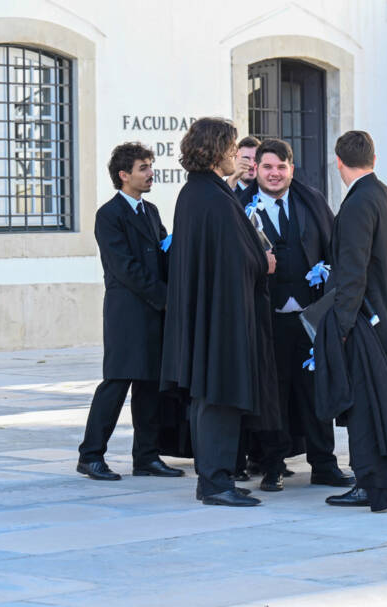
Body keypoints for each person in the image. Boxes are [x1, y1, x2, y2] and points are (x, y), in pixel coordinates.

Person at [160, 117, 279, 506]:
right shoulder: (210, 197)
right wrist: (264, 261)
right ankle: (214, 483)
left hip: (211, 311)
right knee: (216, 396)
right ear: (215, 152)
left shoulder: (200, 192)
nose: (237, 158)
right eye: (231, 150)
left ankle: (217, 475)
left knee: (211, 396)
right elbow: (236, 257)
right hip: (219, 316)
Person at [314, 130, 387, 511]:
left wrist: (342, 326)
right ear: (374, 160)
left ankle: (370, 482)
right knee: (381, 403)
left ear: (338, 163)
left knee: (364, 405)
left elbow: (353, 270)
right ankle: (381, 479)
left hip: (364, 319)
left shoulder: (359, 202)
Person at [248, 138, 355, 492]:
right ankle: (273, 465)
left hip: (311, 320)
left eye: (281, 167)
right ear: (257, 171)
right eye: (268, 167)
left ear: (291, 169)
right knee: (272, 394)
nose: (275, 173)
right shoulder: (239, 207)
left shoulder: (312, 202)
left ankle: (324, 464)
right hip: (267, 320)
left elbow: (335, 247)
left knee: (315, 390)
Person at [77, 143, 183, 481]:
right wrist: (165, 297)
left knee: (150, 386)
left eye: (150, 166)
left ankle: (146, 457)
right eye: (143, 168)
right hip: (128, 313)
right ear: (124, 175)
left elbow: (163, 253)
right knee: (117, 382)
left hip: (155, 311)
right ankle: (91, 455)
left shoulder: (150, 211)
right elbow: (124, 267)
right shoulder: (109, 215)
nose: (150, 173)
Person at [227, 136, 260, 204]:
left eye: (256, 159)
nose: (251, 164)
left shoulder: (268, 191)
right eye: (246, 159)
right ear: (235, 160)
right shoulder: (221, 189)